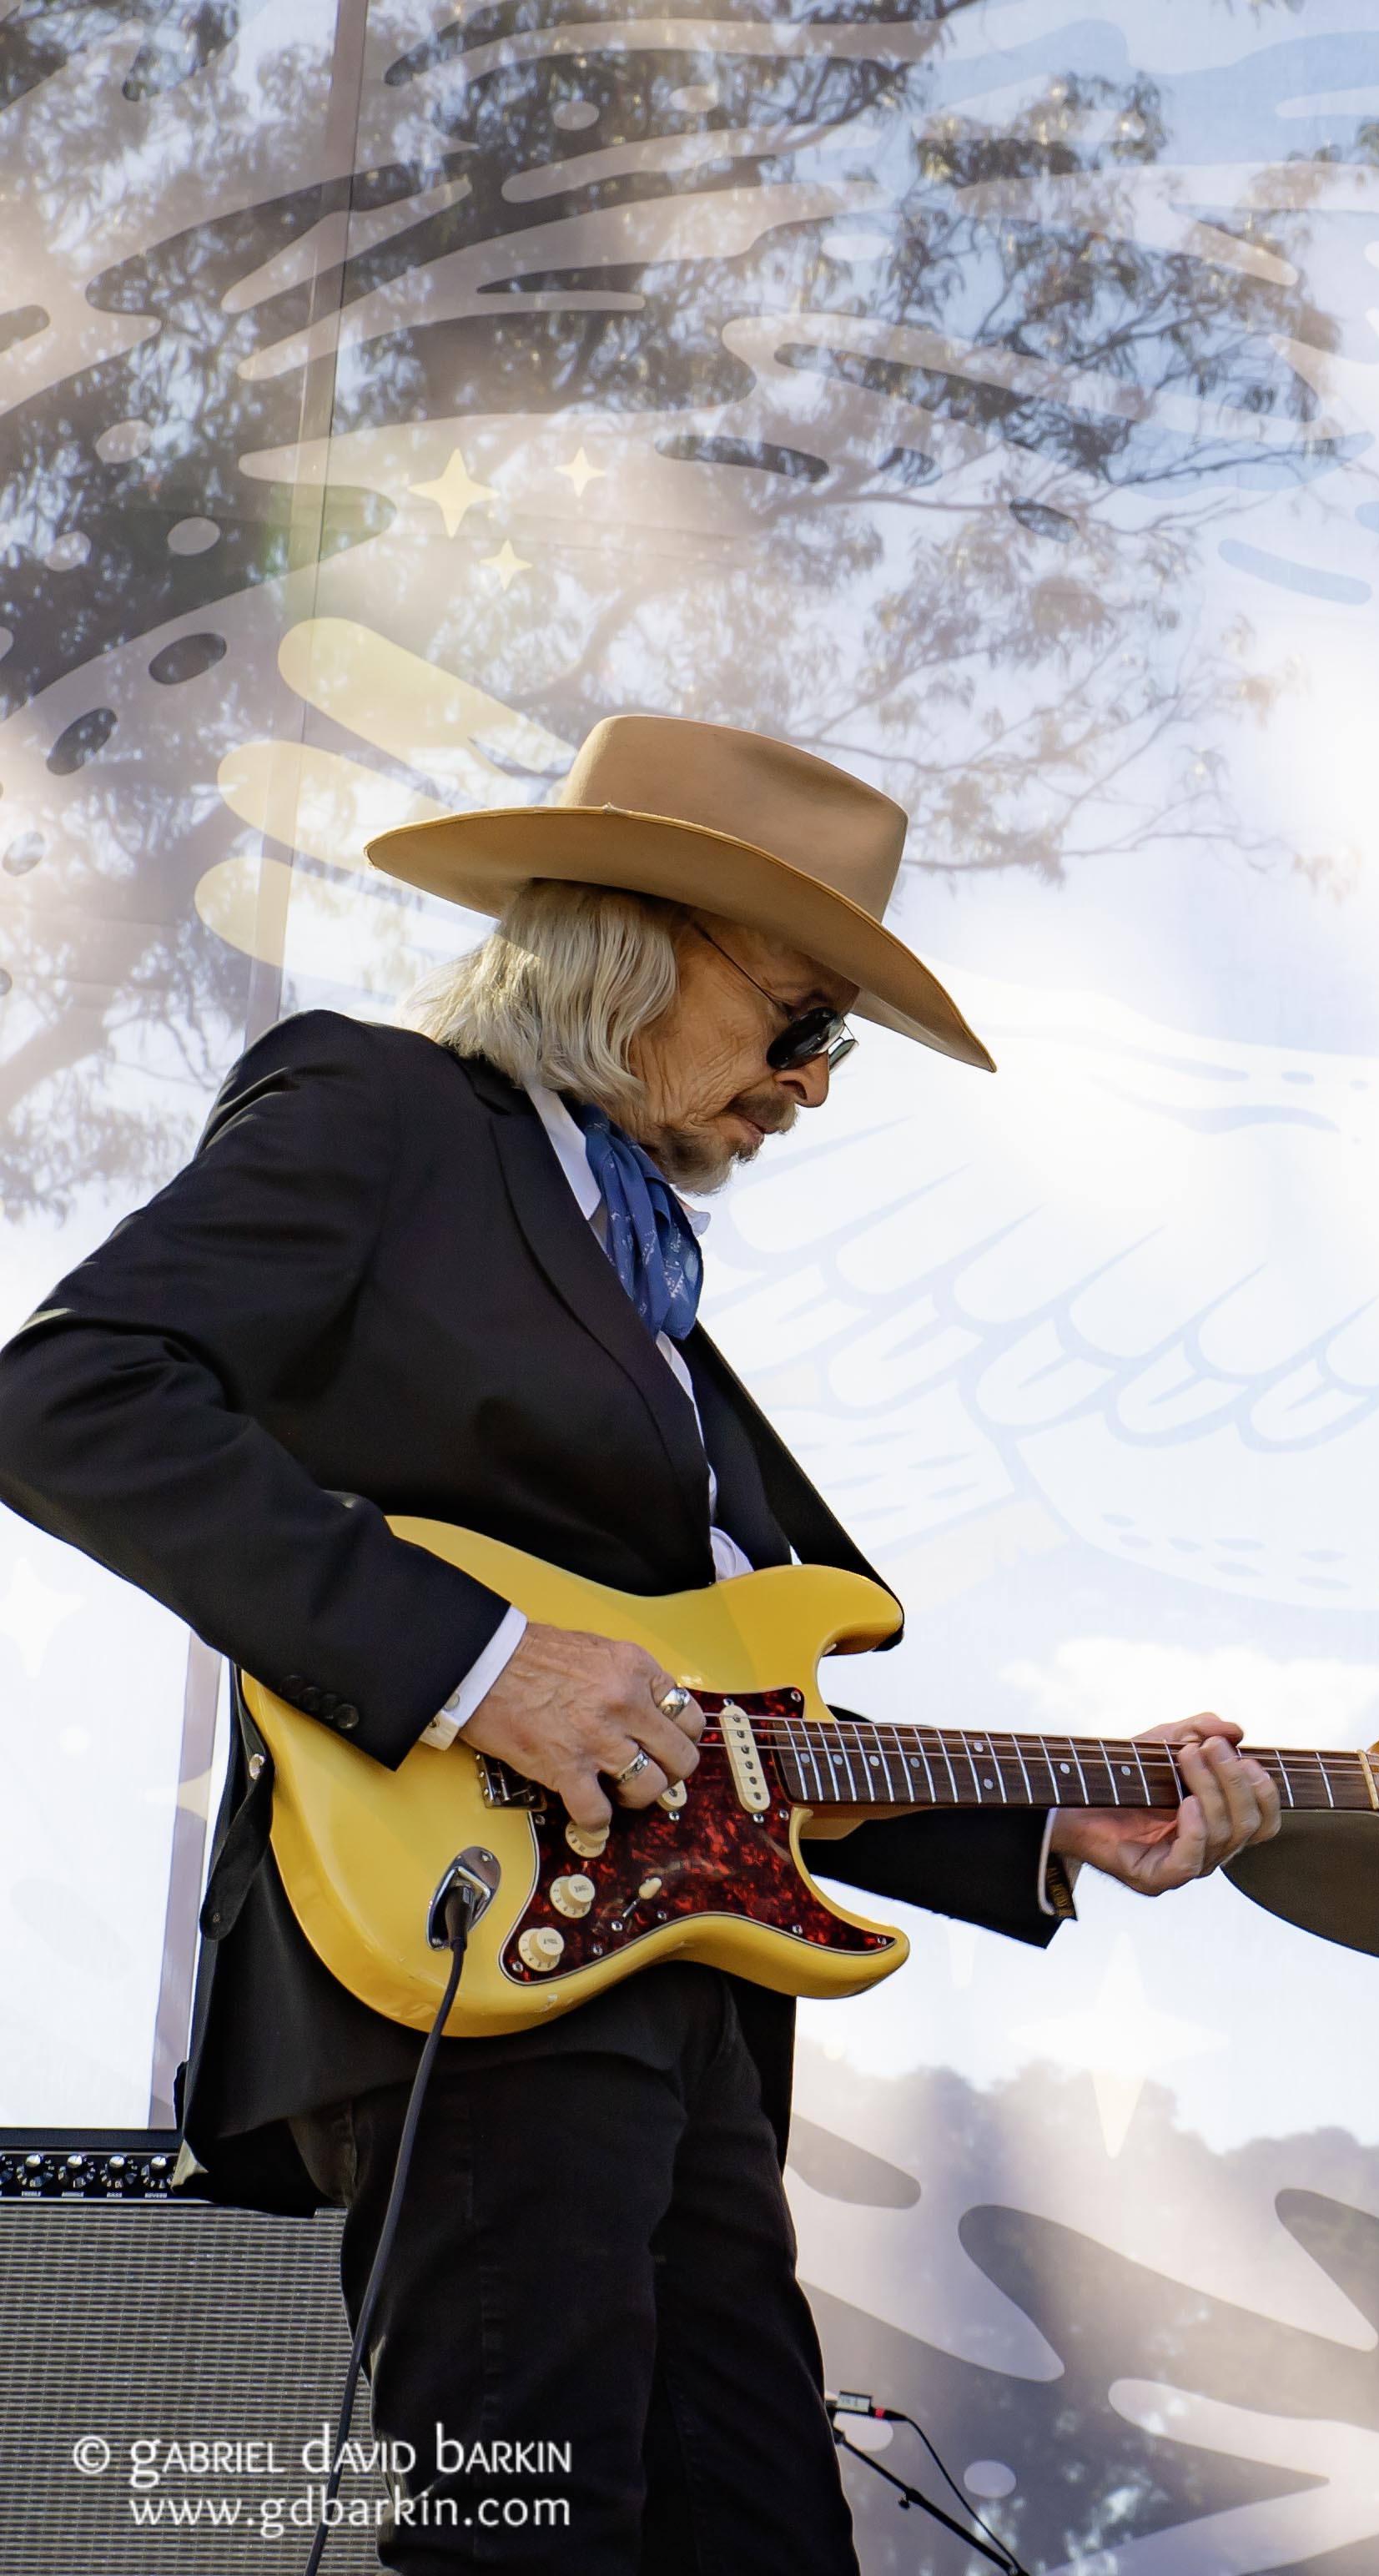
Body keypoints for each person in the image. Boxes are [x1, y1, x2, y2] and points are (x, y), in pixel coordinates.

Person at [0, 717, 1286, 2571]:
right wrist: (482, 1660)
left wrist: (1048, 1816)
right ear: (638, 940)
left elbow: (730, 1719)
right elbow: (69, 1392)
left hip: (680, 2003)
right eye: (803, 1019)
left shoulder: (660, 1310)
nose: (817, 1083)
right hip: (474, 1953)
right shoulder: (384, 1113)